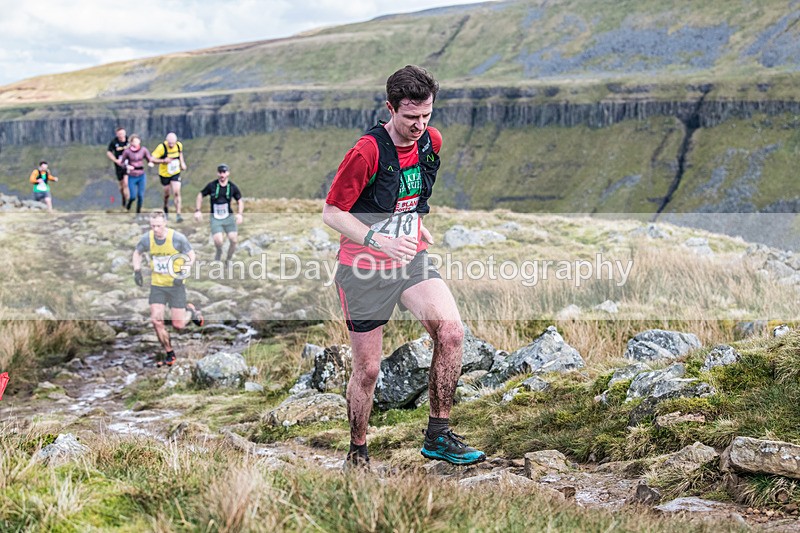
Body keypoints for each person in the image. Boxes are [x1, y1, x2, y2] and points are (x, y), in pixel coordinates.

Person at [322, 65, 485, 468]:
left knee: (450, 333)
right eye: (411, 117)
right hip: (363, 270)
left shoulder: (432, 141)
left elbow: (406, 197)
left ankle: (438, 435)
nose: (420, 125)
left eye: (427, 115)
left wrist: (416, 226)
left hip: (409, 261)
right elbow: (331, 212)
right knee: (368, 371)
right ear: (391, 108)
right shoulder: (367, 152)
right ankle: (357, 452)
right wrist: (378, 239)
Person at [132, 210, 204, 367]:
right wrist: (137, 271)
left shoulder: (177, 238)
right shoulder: (147, 238)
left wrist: (183, 271)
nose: (155, 229)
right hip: (157, 285)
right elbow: (137, 253)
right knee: (156, 320)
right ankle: (170, 353)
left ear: (165, 223)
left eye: (158, 226)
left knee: (178, 325)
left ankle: (190, 311)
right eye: (152, 226)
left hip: (175, 284)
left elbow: (191, 256)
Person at [194, 164, 244, 264]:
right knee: (218, 241)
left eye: (224, 172)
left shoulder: (232, 187)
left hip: (228, 217)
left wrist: (240, 214)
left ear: (228, 173)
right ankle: (219, 251)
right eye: (220, 172)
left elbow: (240, 200)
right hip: (215, 217)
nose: (222, 174)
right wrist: (197, 210)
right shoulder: (212, 185)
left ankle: (228, 259)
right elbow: (200, 195)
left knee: (233, 240)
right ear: (217, 173)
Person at [151, 132, 187, 222]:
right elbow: (152, 159)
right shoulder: (161, 147)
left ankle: (178, 214)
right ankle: (165, 207)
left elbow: (180, 154)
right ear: (167, 141)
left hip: (175, 172)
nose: (171, 145)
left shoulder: (179, 146)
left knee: (176, 192)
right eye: (169, 143)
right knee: (167, 194)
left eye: (173, 143)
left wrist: (182, 163)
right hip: (164, 174)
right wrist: (163, 160)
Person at [117, 134, 155, 215]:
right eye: (134, 141)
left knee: (140, 195)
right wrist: (127, 166)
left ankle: (138, 212)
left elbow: (149, 158)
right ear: (131, 142)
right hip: (132, 176)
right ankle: (129, 205)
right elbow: (121, 163)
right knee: (133, 196)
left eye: (137, 141)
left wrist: (150, 162)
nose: (136, 143)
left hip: (141, 175)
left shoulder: (143, 150)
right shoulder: (127, 152)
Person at [106, 127, 130, 208]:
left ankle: (129, 203)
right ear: (117, 134)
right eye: (119, 134)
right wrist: (115, 160)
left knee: (126, 183)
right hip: (119, 166)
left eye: (122, 133)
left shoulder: (129, 140)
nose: (121, 135)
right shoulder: (114, 142)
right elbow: (109, 152)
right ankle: (124, 198)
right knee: (121, 186)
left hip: (128, 165)